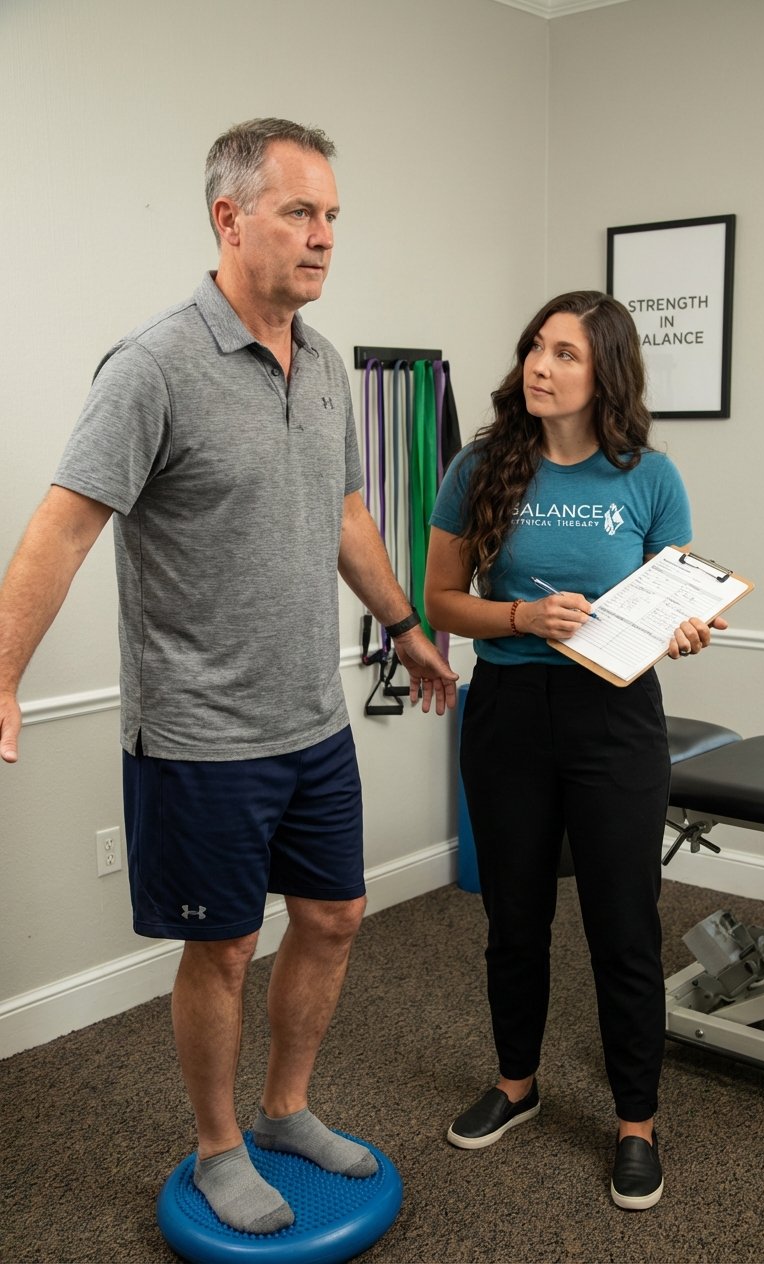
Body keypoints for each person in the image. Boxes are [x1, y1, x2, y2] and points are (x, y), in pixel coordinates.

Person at [0, 118, 457, 1235]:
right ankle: (215, 1145)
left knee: (338, 914)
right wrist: (2, 675)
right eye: (300, 212)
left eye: (333, 217)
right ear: (229, 218)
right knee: (225, 945)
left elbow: (346, 514)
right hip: (201, 728)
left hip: (311, 716)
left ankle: (287, 1108)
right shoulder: (153, 365)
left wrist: (400, 624)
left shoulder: (326, 360)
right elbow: (61, 532)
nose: (323, 237)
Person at [424, 290, 727, 1212]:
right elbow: (439, 602)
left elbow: (675, 600)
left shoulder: (649, 476)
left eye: (564, 354)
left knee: (623, 925)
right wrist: (518, 615)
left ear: (606, 376)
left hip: (616, 715)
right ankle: (518, 1084)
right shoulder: (479, 467)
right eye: (534, 349)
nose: (540, 367)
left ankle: (636, 1121)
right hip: (509, 708)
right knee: (514, 917)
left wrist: (684, 630)